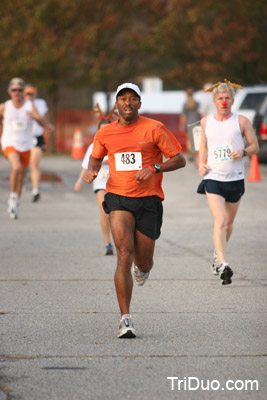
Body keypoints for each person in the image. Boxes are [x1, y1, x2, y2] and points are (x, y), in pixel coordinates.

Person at [84, 83, 186, 338]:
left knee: (143, 261)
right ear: (116, 105)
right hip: (118, 197)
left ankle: (143, 269)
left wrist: (155, 168)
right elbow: (95, 157)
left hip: (149, 200)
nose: (127, 103)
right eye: (122, 99)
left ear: (140, 104)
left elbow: (179, 159)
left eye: (133, 99)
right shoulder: (105, 133)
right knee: (123, 254)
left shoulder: (154, 128)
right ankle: (125, 319)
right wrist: (92, 170)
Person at [197, 79, 259, 285]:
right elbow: (203, 147)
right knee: (220, 220)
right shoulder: (206, 122)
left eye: (227, 98)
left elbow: (255, 146)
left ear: (233, 100)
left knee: (229, 224)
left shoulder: (241, 121)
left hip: (235, 178)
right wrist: (200, 164)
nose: (224, 102)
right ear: (214, 101)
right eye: (220, 98)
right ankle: (223, 264)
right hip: (213, 177)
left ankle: (217, 253)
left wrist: (243, 152)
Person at [0, 78, 46, 219]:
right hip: (9, 143)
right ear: (10, 92)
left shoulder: (29, 106)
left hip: (26, 144)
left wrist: (38, 120)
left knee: (22, 177)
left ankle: (15, 202)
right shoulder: (4, 107)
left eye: (20, 90)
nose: (17, 92)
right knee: (17, 168)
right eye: (14, 90)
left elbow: (40, 119)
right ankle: (13, 197)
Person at [74, 118, 114, 256]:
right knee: (104, 211)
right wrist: (79, 181)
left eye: (107, 129)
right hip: (101, 181)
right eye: (102, 129)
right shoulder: (94, 146)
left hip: (117, 182)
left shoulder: (118, 144)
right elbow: (86, 165)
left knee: (118, 213)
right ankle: (108, 243)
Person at [24, 84, 55, 202]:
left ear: (35, 94)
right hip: (23, 138)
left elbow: (45, 117)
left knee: (34, 164)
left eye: (31, 93)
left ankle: (35, 190)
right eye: (27, 93)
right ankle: (25, 177)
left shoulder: (41, 103)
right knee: (24, 164)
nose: (29, 96)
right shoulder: (20, 105)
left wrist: (47, 125)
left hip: (36, 136)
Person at [180, 88, 201, 158]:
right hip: (197, 121)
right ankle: (197, 153)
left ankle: (191, 153)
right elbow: (200, 113)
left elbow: (184, 116)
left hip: (188, 123)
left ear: (187, 95)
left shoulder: (185, 104)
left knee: (189, 139)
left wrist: (181, 125)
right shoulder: (197, 103)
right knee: (197, 139)